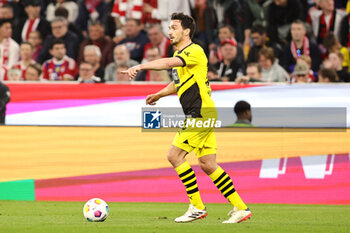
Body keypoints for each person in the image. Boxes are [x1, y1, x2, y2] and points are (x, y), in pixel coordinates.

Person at [122, 12, 252, 224]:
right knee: (208, 164)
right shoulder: (182, 56)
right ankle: (240, 207)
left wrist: (140, 66)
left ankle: (197, 207)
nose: (169, 31)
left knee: (174, 156)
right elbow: (177, 82)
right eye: (170, 27)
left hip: (199, 114)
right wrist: (159, 94)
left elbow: (166, 64)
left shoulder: (194, 51)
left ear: (186, 31)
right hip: (204, 113)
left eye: (174, 27)